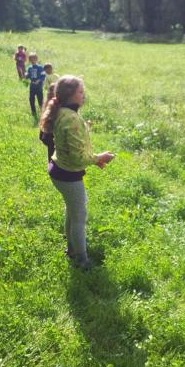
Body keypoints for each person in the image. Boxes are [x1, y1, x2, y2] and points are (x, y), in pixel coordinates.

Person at [39, 76, 115, 269]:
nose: (84, 95)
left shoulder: (63, 112)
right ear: (70, 95)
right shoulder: (71, 119)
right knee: (79, 217)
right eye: (80, 92)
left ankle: (71, 249)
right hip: (68, 175)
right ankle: (82, 260)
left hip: (59, 170)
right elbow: (77, 157)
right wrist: (99, 158)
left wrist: (94, 157)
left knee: (72, 212)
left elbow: (74, 149)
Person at [39, 82, 58, 164]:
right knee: (53, 158)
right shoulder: (54, 105)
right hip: (52, 137)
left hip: (47, 136)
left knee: (51, 156)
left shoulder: (47, 103)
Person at [26, 53, 46, 117]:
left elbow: (43, 75)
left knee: (40, 99)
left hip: (39, 87)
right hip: (32, 86)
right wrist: (26, 75)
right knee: (31, 99)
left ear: (37, 59)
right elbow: (28, 76)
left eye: (34, 59)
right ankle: (33, 112)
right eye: (31, 59)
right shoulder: (29, 68)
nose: (32, 60)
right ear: (29, 60)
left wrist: (39, 80)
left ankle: (42, 112)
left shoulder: (40, 67)